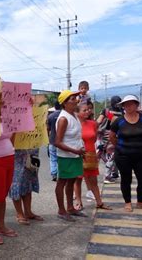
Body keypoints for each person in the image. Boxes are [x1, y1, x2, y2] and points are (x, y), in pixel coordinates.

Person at [109, 95, 142, 212]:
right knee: (126, 179)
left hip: (141, 154)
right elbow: (112, 136)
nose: (128, 106)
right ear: (123, 106)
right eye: (126, 104)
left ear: (136, 105)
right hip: (123, 155)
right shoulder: (119, 121)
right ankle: (127, 202)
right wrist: (119, 146)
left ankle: (140, 201)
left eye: (131, 103)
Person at [54, 90, 87, 222]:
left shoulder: (73, 115)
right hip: (66, 156)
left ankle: (70, 207)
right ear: (64, 103)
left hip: (75, 155)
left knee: (72, 181)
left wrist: (80, 150)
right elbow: (57, 142)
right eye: (72, 99)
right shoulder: (63, 119)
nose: (76, 100)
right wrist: (75, 151)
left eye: (75, 98)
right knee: (62, 182)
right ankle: (61, 210)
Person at [74, 101, 111, 211]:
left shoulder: (93, 123)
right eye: (84, 110)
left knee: (93, 180)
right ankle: (78, 202)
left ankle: (99, 202)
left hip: (91, 154)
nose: (87, 111)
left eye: (88, 109)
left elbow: (94, 138)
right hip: (78, 154)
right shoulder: (74, 124)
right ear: (77, 112)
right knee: (78, 180)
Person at [9, 148, 43, 225]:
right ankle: (19, 213)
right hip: (17, 153)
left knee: (28, 183)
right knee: (17, 182)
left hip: (31, 151)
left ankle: (28, 212)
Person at [97, 95, 123, 184]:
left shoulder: (106, 111)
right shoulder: (122, 113)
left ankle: (114, 173)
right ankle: (107, 176)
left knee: (101, 154)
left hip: (103, 136)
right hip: (115, 136)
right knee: (113, 156)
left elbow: (98, 122)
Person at [47, 102, 62, 181]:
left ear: (55, 107)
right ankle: (61, 174)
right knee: (61, 158)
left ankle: (54, 174)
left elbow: (48, 129)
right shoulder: (64, 115)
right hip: (62, 141)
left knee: (53, 158)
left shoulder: (50, 116)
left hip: (52, 140)